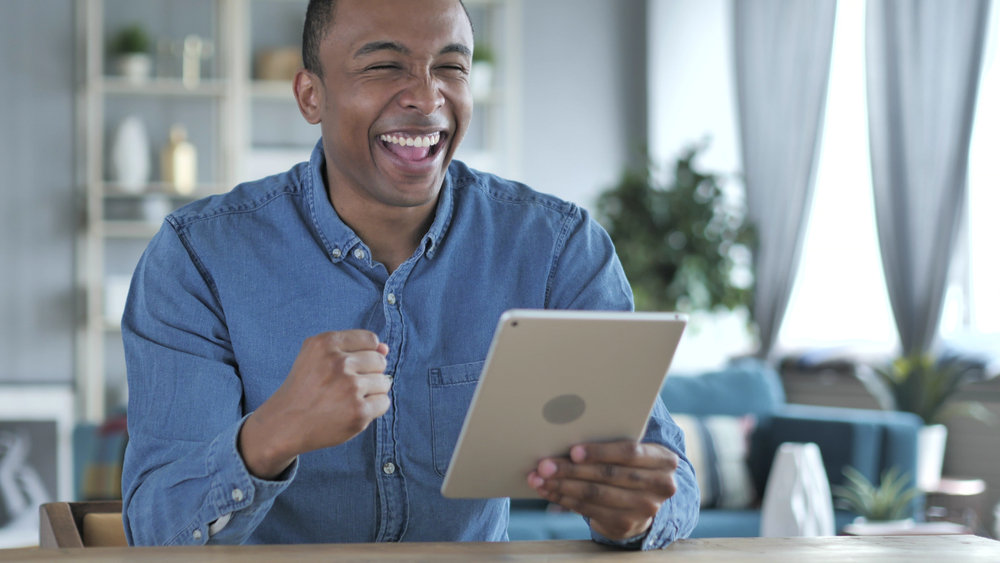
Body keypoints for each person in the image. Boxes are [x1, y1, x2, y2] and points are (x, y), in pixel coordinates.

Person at [120, 0, 699, 549]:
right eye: (384, 66)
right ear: (311, 96)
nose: (427, 96)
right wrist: (274, 433)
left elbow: (668, 476)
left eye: (451, 67)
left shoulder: (557, 247)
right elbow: (155, 530)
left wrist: (636, 514)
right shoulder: (197, 257)